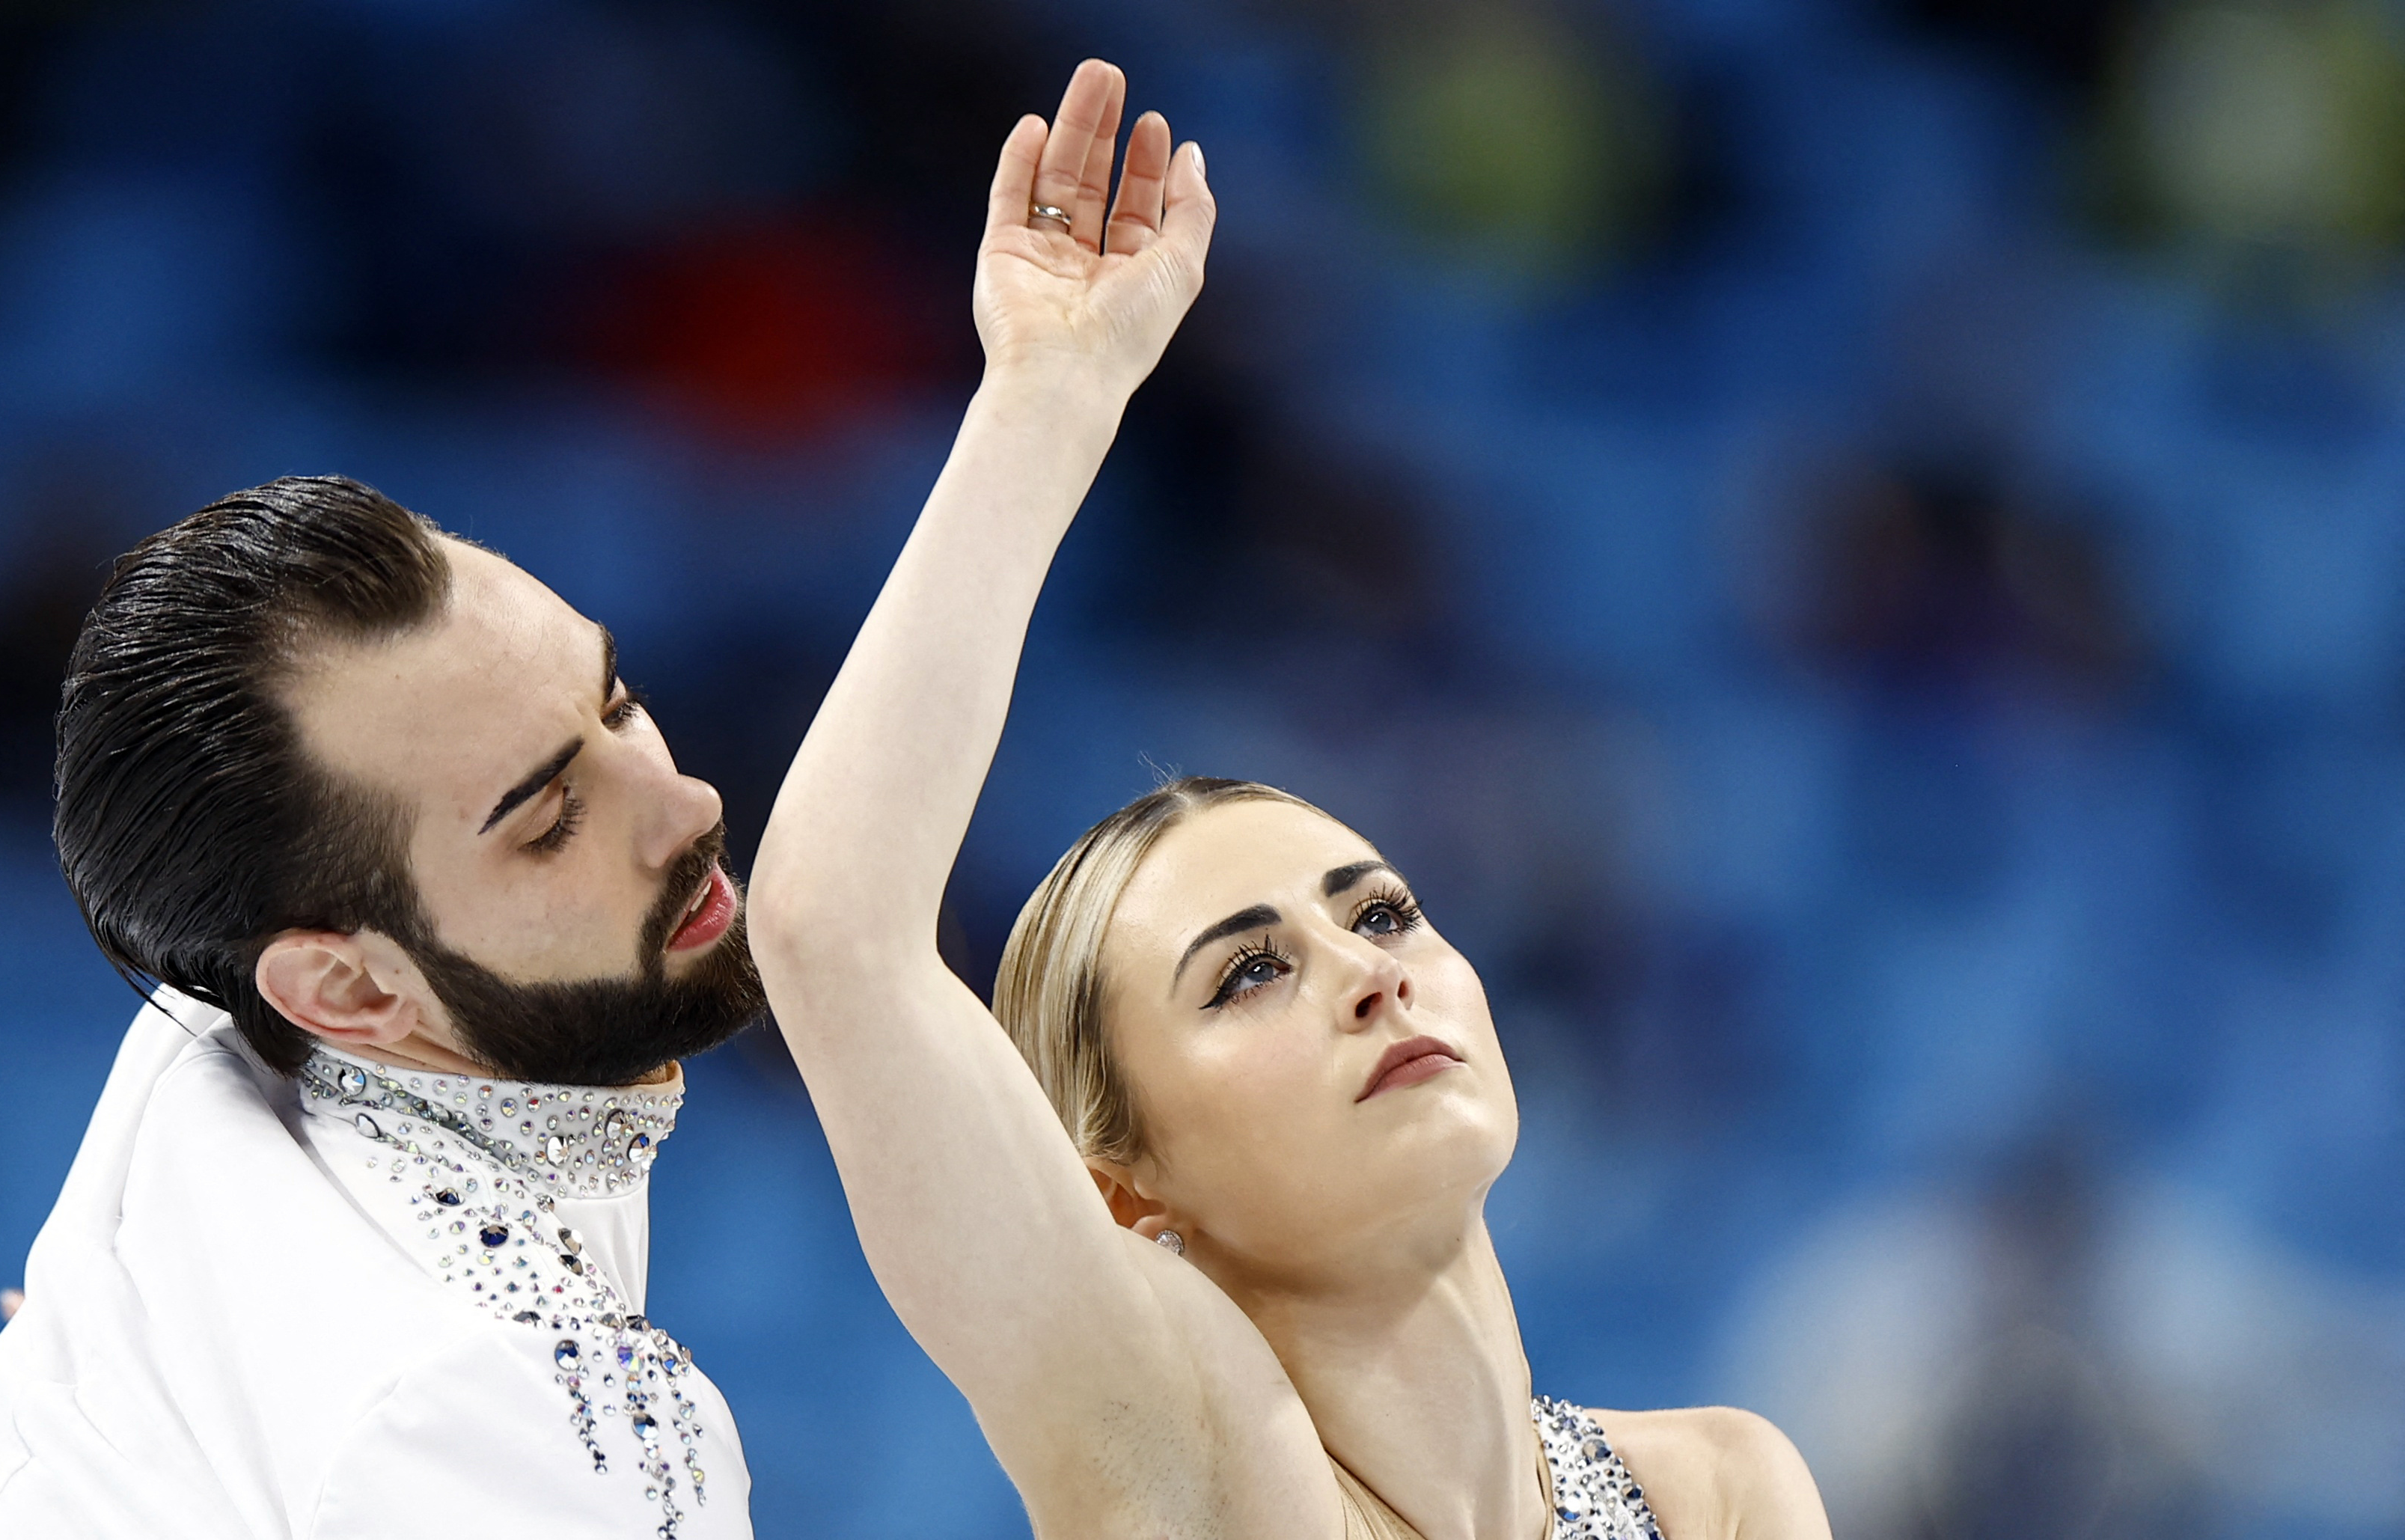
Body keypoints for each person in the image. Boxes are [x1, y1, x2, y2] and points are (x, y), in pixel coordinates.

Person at [746, 59, 1837, 1540]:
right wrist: (1053, 398)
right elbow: (834, 930)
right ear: (1123, 1185)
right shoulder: (1196, 1463)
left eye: (1380, 911)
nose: (1370, 977)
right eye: (1247, 972)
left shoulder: (1719, 1488)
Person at [0, 475, 766, 1537]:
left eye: (616, 699)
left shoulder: (219, 1004)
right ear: (346, 987)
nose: (689, 803)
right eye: (547, 821)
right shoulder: (529, 1416)